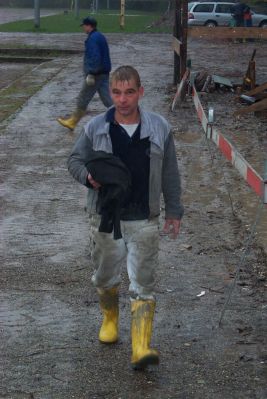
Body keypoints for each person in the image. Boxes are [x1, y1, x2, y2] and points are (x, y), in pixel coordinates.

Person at [67, 66, 184, 370]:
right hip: (106, 218)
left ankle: (141, 347)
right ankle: (109, 318)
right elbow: (74, 161)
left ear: (140, 92)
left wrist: (174, 210)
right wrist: (88, 176)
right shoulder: (95, 127)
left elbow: (170, 172)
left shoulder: (159, 128)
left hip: (144, 218)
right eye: (117, 92)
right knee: (105, 276)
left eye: (129, 92)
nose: (121, 99)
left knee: (143, 282)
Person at [57, 17, 113, 131]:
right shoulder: (100, 36)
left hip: (95, 75)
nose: (83, 28)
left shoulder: (92, 39)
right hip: (104, 73)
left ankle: (72, 122)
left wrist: (91, 72)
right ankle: (127, 117)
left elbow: (95, 56)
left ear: (89, 26)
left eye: (84, 25)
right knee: (108, 99)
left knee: (83, 97)